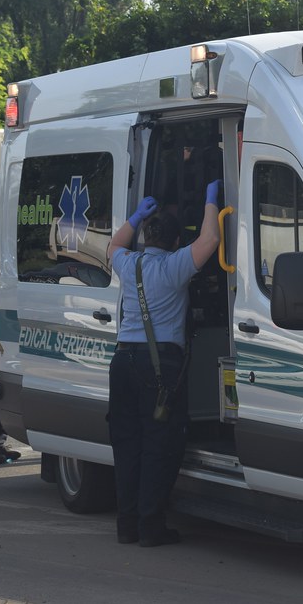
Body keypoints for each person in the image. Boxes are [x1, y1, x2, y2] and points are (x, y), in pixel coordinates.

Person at [106, 180, 221, 547]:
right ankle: (151, 527)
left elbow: (112, 246)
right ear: (174, 243)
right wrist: (210, 202)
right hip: (159, 370)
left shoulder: (129, 263)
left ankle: (127, 526)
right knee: (159, 447)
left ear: (145, 239)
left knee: (127, 447)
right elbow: (210, 242)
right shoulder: (174, 267)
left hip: (122, 363)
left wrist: (135, 216)